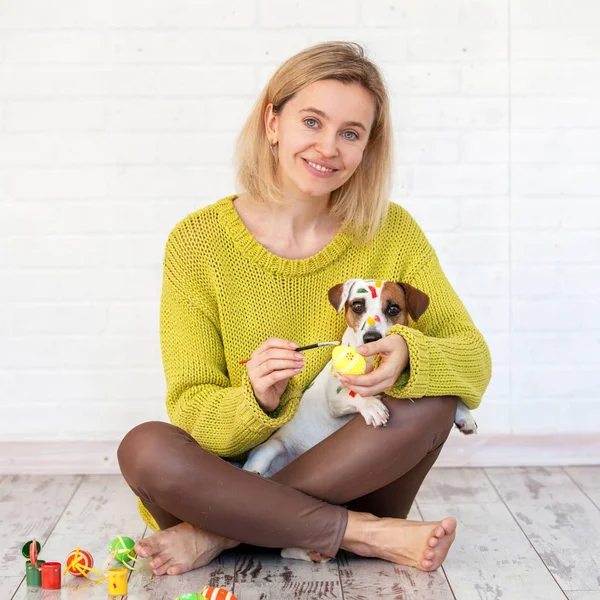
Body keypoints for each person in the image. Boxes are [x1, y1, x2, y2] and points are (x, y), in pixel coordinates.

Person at [117, 41, 492, 577]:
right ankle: (361, 534)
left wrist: (406, 350)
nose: (328, 147)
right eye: (311, 121)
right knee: (145, 446)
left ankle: (216, 535)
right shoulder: (197, 243)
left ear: (367, 147)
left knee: (434, 394)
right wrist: (257, 398)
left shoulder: (392, 232)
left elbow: (473, 360)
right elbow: (192, 411)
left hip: (357, 479)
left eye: (350, 133)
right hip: (232, 480)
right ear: (273, 121)